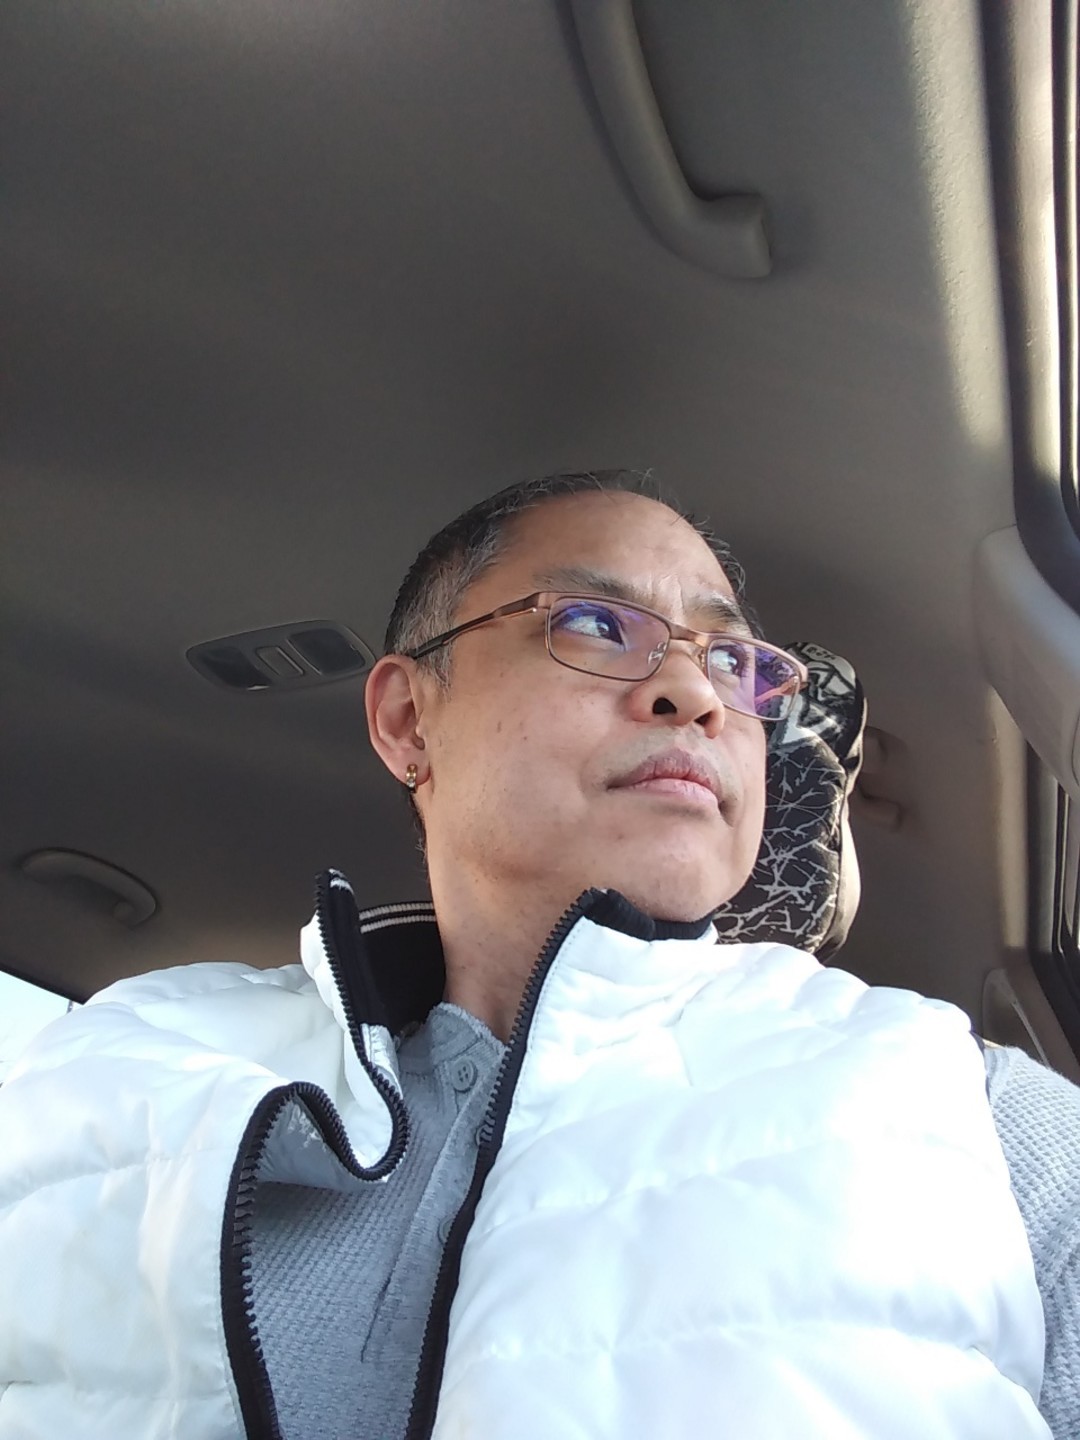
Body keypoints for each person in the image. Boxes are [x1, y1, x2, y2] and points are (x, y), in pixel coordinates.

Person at [0, 470, 1077, 1440]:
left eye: (732, 660)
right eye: (598, 623)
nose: (697, 695)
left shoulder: (972, 1113)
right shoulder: (114, 1070)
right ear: (408, 720)